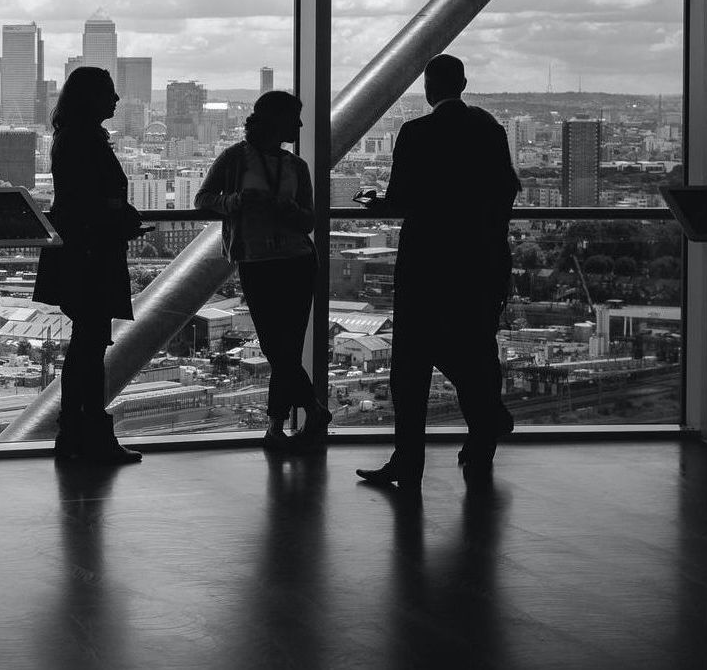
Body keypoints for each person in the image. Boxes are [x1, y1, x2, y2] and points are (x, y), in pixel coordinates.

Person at [356, 53, 520, 491]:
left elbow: (402, 200)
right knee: (477, 348)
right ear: (463, 83)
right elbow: (506, 190)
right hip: (479, 262)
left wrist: (377, 205)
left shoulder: (417, 133)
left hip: (427, 263)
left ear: (429, 89)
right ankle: (484, 430)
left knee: (411, 365)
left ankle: (409, 461)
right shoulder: (490, 131)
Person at [195, 91, 331, 452]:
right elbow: (204, 200)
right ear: (275, 120)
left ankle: (278, 425)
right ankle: (311, 412)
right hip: (265, 262)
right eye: (294, 117)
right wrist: (239, 201)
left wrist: (282, 209)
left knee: (282, 348)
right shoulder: (234, 159)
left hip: (293, 261)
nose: (300, 125)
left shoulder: (295, 166)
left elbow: (308, 220)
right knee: (278, 347)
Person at [32, 66, 145, 464]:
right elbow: (90, 199)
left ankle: (77, 433)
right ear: (91, 99)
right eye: (110, 94)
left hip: (80, 252)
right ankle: (89, 434)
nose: (116, 101)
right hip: (91, 254)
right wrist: (119, 217)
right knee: (90, 347)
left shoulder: (71, 138)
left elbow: (78, 198)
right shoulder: (86, 140)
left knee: (86, 345)